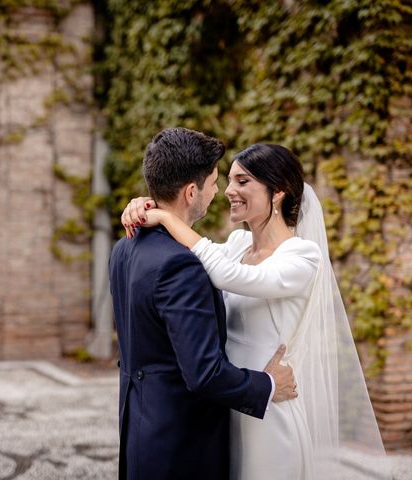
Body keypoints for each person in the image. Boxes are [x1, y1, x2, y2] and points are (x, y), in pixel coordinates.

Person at [122, 142, 387, 479]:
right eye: (229, 180)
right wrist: (142, 205)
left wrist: (162, 216)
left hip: (269, 412)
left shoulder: (302, 256)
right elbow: (187, 256)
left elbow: (229, 275)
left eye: (243, 181)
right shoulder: (235, 245)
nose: (229, 190)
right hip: (231, 401)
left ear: (277, 192)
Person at [108, 128, 298, 480]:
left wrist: (153, 210)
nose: (219, 192)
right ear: (191, 191)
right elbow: (204, 373)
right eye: (214, 182)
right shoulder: (181, 264)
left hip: (139, 427)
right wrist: (268, 385)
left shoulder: (125, 247)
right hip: (182, 442)